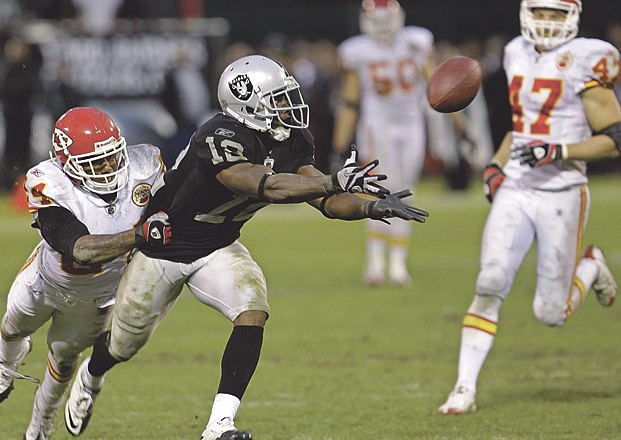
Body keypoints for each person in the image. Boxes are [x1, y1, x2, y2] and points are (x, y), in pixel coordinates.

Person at [63, 54, 429, 440]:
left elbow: (324, 200)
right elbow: (266, 185)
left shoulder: (292, 138)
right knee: (122, 344)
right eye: (278, 99)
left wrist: (369, 206)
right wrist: (332, 182)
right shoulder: (219, 135)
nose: (288, 107)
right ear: (246, 103)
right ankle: (90, 375)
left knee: (252, 308)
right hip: (163, 247)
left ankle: (219, 425)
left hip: (218, 246)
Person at [437, 0, 621, 415]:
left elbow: (614, 137)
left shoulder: (589, 58)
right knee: (490, 282)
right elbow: (522, 129)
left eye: (556, 14)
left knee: (551, 313)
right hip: (518, 186)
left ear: (572, 17)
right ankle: (463, 389)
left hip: (564, 190)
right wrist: (497, 164)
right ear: (525, 13)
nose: (547, 22)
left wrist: (561, 150)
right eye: (541, 12)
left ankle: (590, 263)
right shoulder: (516, 51)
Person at [0, 106, 167, 439]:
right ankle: (4, 365)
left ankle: (39, 426)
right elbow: (81, 249)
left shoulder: (145, 167)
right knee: (13, 328)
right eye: (96, 163)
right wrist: (139, 236)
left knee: (64, 363)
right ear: (65, 163)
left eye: (112, 157)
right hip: (46, 281)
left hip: (97, 297)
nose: (108, 168)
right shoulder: (49, 182)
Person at [331, 0, 436, 287]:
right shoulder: (357, 51)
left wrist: (459, 122)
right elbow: (351, 101)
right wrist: (340, 145)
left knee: (406, 191)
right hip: (377, 125)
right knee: (381, 191)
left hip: (412, 123)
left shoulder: (417, 41)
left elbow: (437, 88)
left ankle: (398, 261)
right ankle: (377, 262)